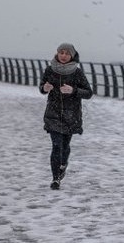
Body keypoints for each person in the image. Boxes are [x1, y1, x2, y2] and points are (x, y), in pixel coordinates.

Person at [39, 43, 93, 190]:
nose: (63, 55)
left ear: (72, 56)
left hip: (71, 115)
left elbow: (88, 92)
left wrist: (73, 90)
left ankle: (63, 164)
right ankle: (55, 179)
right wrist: (44, 88)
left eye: (67, 53)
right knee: (56, 146)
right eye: (61, 52)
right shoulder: (50, 70)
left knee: (65, 146)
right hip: (53, 114)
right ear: (57, 54)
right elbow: (42, 87)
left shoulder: (77, 72)